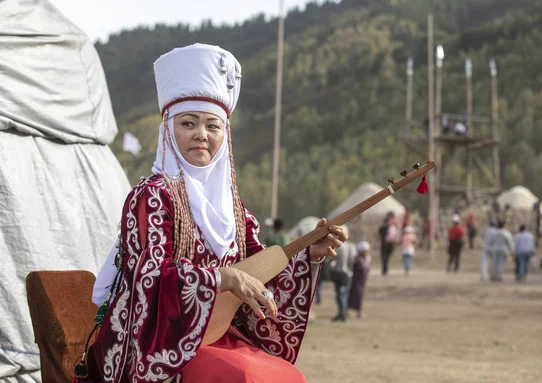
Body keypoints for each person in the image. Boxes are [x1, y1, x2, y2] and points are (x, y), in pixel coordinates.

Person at [80, 44, 348, 383]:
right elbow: (148, 280)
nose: (201, 135)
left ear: (225, 134)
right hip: (162, 345)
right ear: (168, 129)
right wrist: (222, 278)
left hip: (222, 334)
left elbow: (261, 274)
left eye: (212, 126)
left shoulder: (234, 209)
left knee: (286, 376)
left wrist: (308, 254)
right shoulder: (151, 197)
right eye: (188, 123)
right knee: (243, 376)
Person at [329, 239, 356, 322]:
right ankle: (343, 312)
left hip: (340, 272)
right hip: (349, 273)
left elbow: (333, 258)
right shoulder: (352, 246)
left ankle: (342, 313)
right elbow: (354, 259)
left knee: (340, 294)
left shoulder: (339, 247)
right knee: (345, 294)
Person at [347, 241, 372, 319]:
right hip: (355, 281)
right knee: (352, 296)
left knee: (360, 296)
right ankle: (347, 311)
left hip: (362, 281)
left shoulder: (368, 259)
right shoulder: (357, 259)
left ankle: (359, 312)